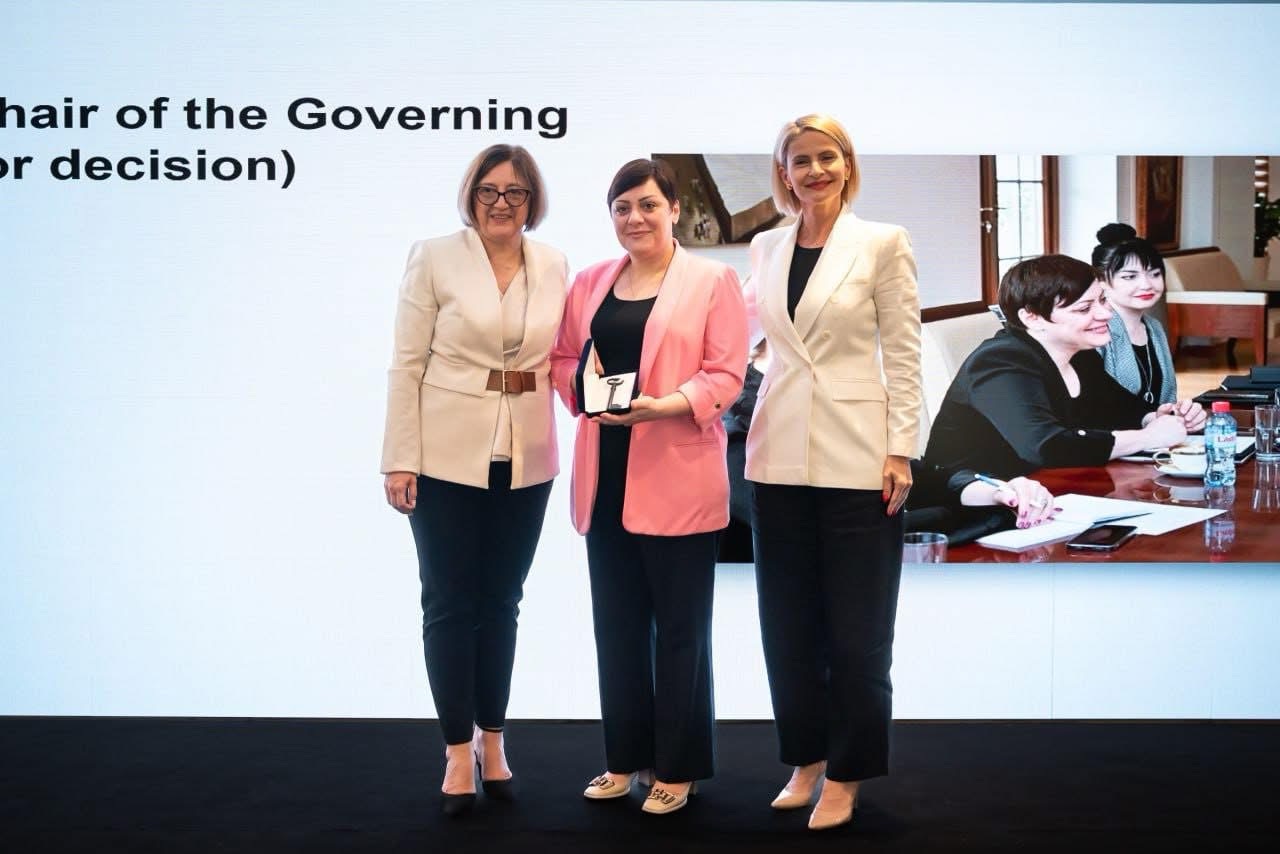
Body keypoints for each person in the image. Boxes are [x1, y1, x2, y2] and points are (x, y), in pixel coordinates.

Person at [549, 158, 747, 816]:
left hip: (677, 474)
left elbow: (726, 374)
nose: (635, 218)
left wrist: (667, 405)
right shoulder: (589, 282)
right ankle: (623, 760)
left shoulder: (712, 280)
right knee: (618, 628)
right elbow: (562, 360)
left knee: (682, 631)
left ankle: (678, 768)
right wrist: (582, 385)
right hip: (604, 476)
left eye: (648, 205)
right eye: (622, 207)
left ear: (673, 210)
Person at [742, 114, 921, 831]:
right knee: (787, 628)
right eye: (800, 161)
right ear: (783, 174)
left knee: (857, 635)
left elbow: (903, 352)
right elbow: (754, 342)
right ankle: (806, 758)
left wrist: (900, 448)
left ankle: (847, 773)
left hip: (859, 454)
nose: (814, 171)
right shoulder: (765, 246)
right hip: (777, 451)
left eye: (827, 157)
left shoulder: (882, 242)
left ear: (846, 165)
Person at [380, 144, 568, 816]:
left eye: (515, 192)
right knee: (449, 603)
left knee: (502, 602)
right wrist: (398, 456)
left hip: (528, 456)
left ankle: (494, 738)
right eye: (489, 190)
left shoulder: (554, 263)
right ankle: (458, 749)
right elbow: (406, 363)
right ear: (471, 195)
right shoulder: (434, 257)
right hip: (444, 455)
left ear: (531, 200)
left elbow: (565, 356)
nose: (501, 203)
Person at [922, 254, 1206, 498]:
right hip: (978, 504)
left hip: (1054, 490)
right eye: (1084, 308)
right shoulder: (1000, 362)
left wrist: (1157, 417)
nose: (1105, 314)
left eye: (1102, 301)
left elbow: (1122, 408)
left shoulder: (1078, 353)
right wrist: (1147, 438)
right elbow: (1047, 446)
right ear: (1032, 317)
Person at [1092, 223, 1177, 405]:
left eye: (1154, 274)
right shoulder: (1095, 330)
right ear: (1101, 280)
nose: (1146, 285)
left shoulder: (1154, 327)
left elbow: (1168, 396)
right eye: (1130, 277)